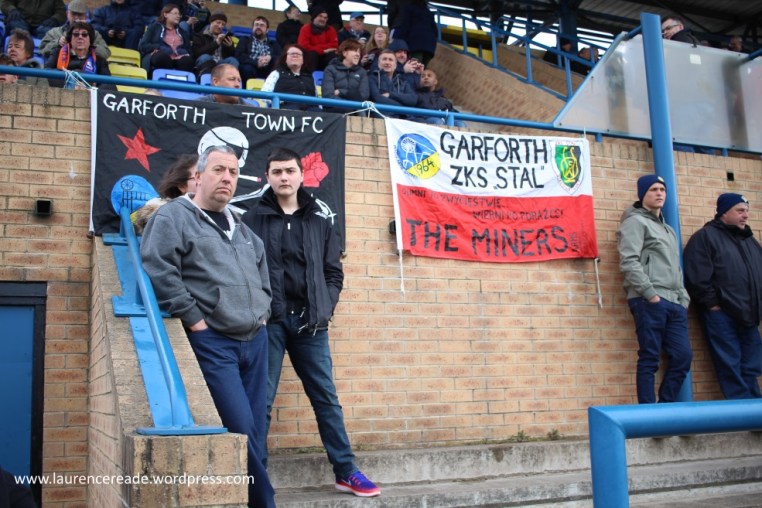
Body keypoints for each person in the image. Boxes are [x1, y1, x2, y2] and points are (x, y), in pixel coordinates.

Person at [241, 147, 381, 499]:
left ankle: (346, 472)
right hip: (269, 323)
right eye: (277, 172)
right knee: (261, 402)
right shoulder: (252, 218)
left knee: (326, 399)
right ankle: (256, 478)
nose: (284, 177)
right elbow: (242, 271)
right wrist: (257, 310)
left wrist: (325, 307)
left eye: (289, 171)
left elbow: (333, 272)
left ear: (301, 175)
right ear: (267, 177)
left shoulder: (320, 219)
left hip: (310, 325)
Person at [141, 145, 276, 508]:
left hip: (255, 339)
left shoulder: (242, 227)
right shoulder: (173, 217)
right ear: (198, 177)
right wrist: (194, 319)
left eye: (233, 172)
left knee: (256, 429)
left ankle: (250, 499)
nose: (227, 178)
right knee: (241, 427)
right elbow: (158, 266)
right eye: (218, 170)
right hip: (214, 340)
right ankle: (265, 502)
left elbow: (263, 276)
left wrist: (263, 313)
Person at [616, 174, 692, 404]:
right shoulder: (635, 222)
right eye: (653, 189)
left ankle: (665, 408)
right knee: (650, 357)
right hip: (648, 299)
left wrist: (683, 298)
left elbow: (675, 266)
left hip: (675, 303)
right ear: (642, 194)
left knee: (682, 357)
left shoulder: (668, 230)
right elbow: (629, 261)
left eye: (662, 189)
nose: (659, 193)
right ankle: (648, 412)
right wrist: (651, 295)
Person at [684, 193, 762, 400]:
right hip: (721, 315)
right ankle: (741, 408)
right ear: (724, 212)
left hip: (749, 315)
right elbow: (696, 275)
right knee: (730, 364)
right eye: (740, 210)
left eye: (746, 211)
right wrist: (712, 304)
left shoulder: (750, 241)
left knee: (752, 364)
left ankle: (754, 406)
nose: (745, 215)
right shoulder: (705, 237)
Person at [45, 22, 112, 88]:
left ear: (90, 39)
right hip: (61, 91)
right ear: (70, 39)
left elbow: (108, 83)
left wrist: (91, 86)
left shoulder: (99, 60)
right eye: (76, 34)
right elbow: (46, 73)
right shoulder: (57, 53)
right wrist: (70, 81)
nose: (80, 37)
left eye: (84, 34)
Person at [40, 0, 111, 61]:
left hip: (86, 70)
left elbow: (105, 54)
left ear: (86, 16)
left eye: (80, 15)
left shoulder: (94, 34)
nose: (76, 18)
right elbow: (42, 51)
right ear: (67, 14)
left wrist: (90, 44)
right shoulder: (54, 32)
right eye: (73, 14)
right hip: (59, 69)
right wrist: (58, 43)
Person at [138, 3, 194, 74]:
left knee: (187, 61)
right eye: (175, 13)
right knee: (161, 57)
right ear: (165, 14)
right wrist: (159, 47)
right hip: (160, 57)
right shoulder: (154, 27)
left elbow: (189, 50)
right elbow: (143, 45)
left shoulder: (183, 32)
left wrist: (182, 51)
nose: (178, 16)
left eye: (179, 14)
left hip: (178, 58)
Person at [261, 44, 317, 111]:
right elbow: (265, 95)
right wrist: (279, 102)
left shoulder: (310, 77)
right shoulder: (276, 73)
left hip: (311, 113)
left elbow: (317, 100)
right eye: (292, 54)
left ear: (303, 60)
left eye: (298, 54)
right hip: (286, 112)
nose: (295, 56)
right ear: (285, 59)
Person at [368, 49, 417, 116]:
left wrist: (390, 95)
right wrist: (404, 109)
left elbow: (413, 99)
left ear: (395, 65)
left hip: (402, 117)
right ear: (378, 64)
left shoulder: (402, 81)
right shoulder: (372, 78)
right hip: (382, 116)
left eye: (390, 60)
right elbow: (377, 98)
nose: (387, 62)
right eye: (384, 59)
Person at [322, 39, 369, 107]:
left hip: (356, 109)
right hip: (335, 109)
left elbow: (364, 96)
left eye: (359, 52)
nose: (358, 54)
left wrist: (341, 92)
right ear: (344, 53)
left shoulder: (362, 72)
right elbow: (328, 95)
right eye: (355, 51)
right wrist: (348, 103)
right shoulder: (330, 69)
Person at [391, 0, 437, 65]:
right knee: (422, 68)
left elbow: (405, 26)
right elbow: (435, 31)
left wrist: (396, 39)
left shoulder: (409, 9)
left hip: (416, 45)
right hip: (430, 48)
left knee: (414, 68)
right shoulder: (429, 12)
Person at [236, 16, 281, 83]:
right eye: (256, 25)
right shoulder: (245, 40)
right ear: (252, 28)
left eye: (262, 25)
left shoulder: (274, 44)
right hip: (251, 67)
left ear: (267, 30)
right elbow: (239, 56)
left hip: (268, 68)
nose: (258, 27)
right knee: (246, 69)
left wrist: (270, 57)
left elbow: (281, 57)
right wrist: (256, 63)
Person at [192, 12, 238, 76]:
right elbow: (198, 53)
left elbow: (232, 56)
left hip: (221, 62)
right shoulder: (199, 36)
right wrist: (216, 43)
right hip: (207, 61)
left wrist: (230, 47)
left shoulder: (224, 37)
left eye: (223, 24)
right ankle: (205, 78)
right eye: (218, 22)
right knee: (205, 57)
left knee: (233, 60)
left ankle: (229, 80)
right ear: (211, 22)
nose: (220, 26)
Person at [297, 6, 338, 71]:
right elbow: (303, 46)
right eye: (320, 16)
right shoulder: (305, 28)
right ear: (314, 17)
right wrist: (322, 51)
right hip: (310, 58)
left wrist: (316, 47)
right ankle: (310, 76)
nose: (323, 19)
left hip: (325, 57)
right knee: (312, 54)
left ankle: (331, 75)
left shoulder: (331, 29)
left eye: (325, 18)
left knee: (332, 55)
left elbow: (334, 45)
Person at [0, 0, 66, 39]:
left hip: (43, 24)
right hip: (20, 20)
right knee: (17, 27)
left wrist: (55, 19)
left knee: (49, 33)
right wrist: (11, 9)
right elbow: (5, 2)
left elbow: (61, 11)